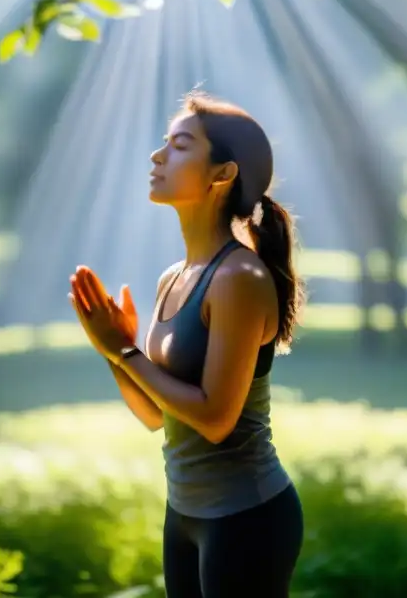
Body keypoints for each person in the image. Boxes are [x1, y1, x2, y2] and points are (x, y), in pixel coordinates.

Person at [68, 90, 305, 598]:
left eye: (179, 145)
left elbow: (216, 419)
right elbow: (158, 416)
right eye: (164, 144)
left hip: (247, 520)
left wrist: (129, 353)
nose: (158, 156)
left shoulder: (238, 276)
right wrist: (114, 351)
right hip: (185, 514)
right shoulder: (174, 277)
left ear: (223, 174)